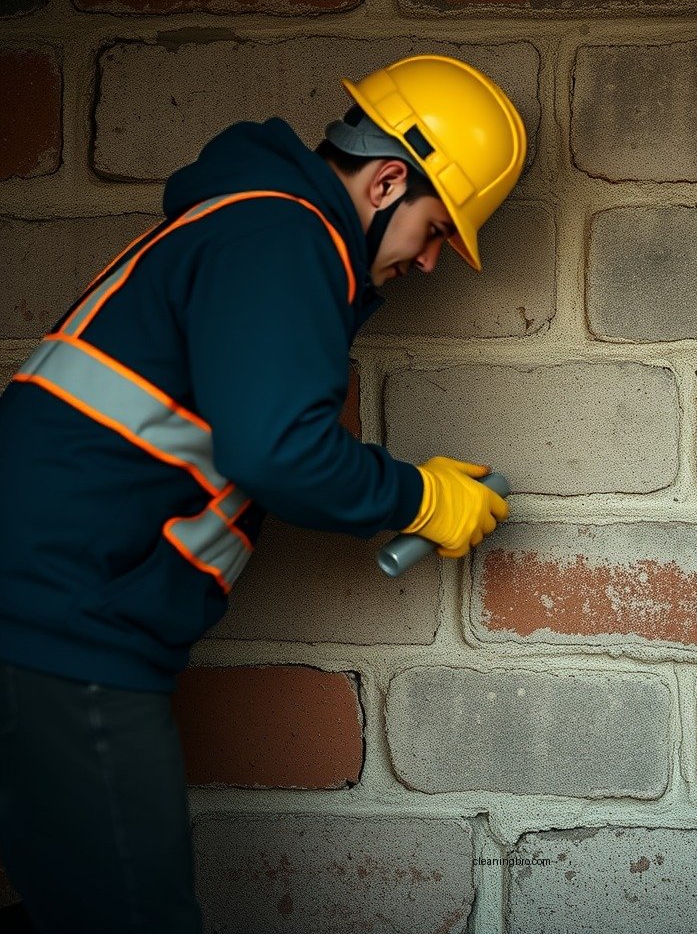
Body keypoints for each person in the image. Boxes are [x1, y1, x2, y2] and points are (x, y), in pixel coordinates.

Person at [0, 54, 526, 933]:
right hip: (61, 631)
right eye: (436, 230)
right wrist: (419, 499)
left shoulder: (252, 228)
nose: (432, 261)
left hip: (45, 612)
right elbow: (278, 449)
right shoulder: (287, 238)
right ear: (388, 180)